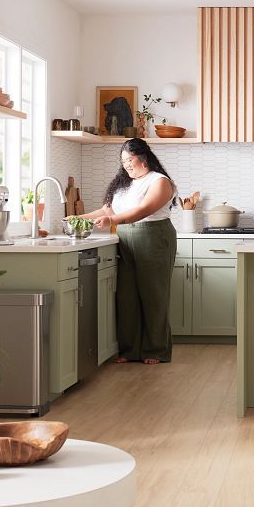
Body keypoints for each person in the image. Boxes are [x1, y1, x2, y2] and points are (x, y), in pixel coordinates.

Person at [73, 138, 177, 364]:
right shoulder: (123, 184)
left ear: (143, 157)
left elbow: (142, 210)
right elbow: (106, 209)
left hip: (153, 236)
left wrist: (111, 219)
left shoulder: (160, 181)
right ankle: (130, 350)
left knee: (154, 295)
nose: (126, 165)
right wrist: (76, 218)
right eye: (123, 161)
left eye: (129, 159)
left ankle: (155, 350)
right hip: (125, 237)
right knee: (127, 295)